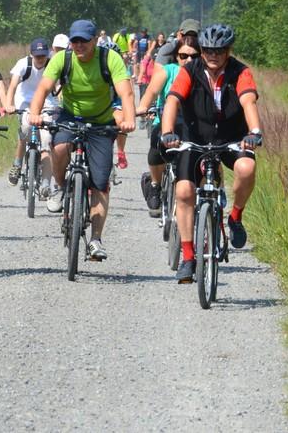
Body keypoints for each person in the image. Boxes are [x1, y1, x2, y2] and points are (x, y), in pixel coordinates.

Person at [160, 24, 263, 283]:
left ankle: (235, 217)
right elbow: (172, 100)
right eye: (208, 50)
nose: (213, 55)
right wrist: (168, 132)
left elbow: (248, 101)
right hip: (194, 137)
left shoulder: (240, 72)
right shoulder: (189, 70)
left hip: (231, 137)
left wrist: (254, 131)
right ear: (202, 51)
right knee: (184, 191)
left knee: (247, 168)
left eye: (219, 51)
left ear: (228, 51)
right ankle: (188, 257)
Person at [28, 19, 135, 261]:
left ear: (95, 40)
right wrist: (35, 114)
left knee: (100, 182)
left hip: (101, 121)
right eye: (75, 41)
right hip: (70, 117)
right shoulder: (62, 59)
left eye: (84, 41)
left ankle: (96, 239)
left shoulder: (109, 58)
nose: (79, 45)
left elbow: (126, 92)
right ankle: (61, 187)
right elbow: (43, 88)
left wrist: (128, 119)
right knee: (59, 148)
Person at [135, 35, 200, 216]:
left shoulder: (204, 74)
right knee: (157, 143)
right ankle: (155, 184)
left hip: (193, 124)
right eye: (184, 56)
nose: (189, 60)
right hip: (166, 121)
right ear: (176, 57)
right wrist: (143, 107)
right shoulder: (168, 71)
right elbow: (152, 92)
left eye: (194, 56)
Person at [5, 37, 59, 196]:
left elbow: (59, 86)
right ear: (31, 55)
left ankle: (46, 184)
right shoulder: (24, 64)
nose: (40, 59)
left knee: (46, 140)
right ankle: (17, 164)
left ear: (47, 54)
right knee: (25, 130)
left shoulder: (52, 65)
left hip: (47, 105)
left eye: (43, 55)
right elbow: (13, 86)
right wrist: (8, 105)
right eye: (37, 55)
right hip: (25, 104)